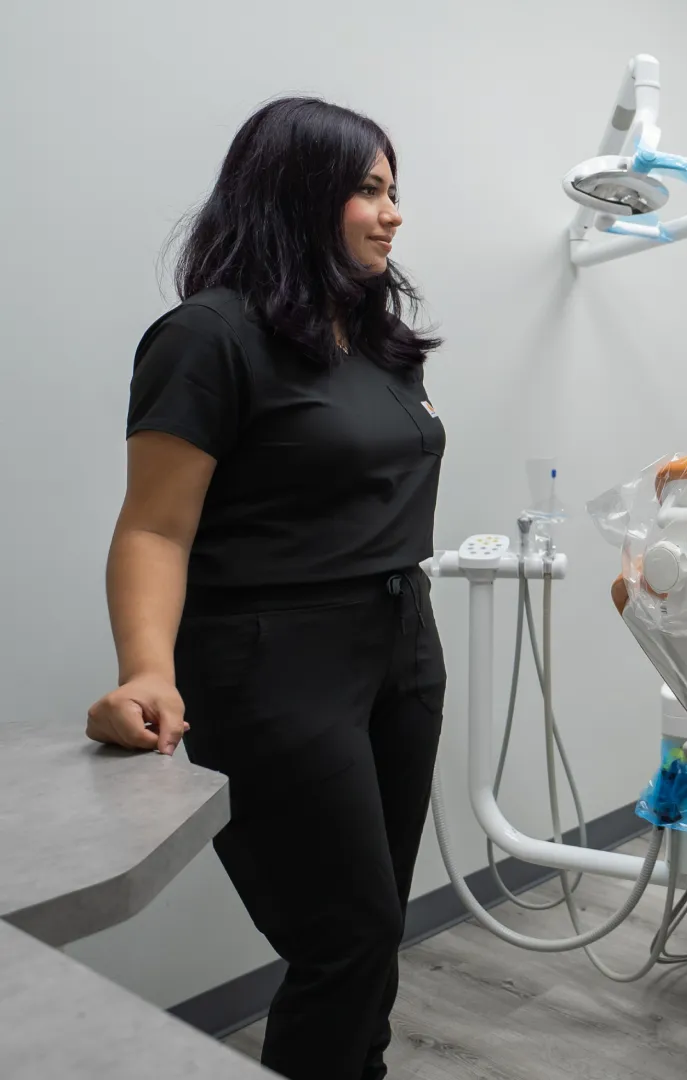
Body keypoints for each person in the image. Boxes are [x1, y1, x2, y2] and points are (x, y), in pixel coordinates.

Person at [84, 98, 447, 1080]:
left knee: (375, 928)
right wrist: (145, 670)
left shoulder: (375, 339)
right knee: (345, 938)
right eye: (369, 189)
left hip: (400, 646)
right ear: (298, 193)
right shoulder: (208, 336)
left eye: (393, 189)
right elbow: (154, 527)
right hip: (272, 661)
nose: (393, 212)